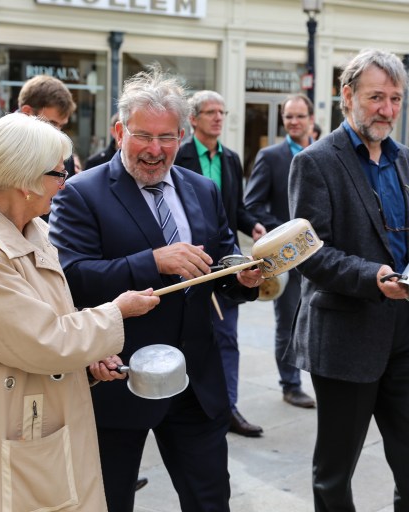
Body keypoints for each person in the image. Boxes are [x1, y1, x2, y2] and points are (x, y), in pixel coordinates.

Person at [48, 67, 263, 512]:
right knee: (109, 502)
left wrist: (243, 278)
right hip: (117, 378)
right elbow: (71, 275)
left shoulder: (203, 189)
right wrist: (152, 261)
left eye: (167, 138)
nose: (154, 149)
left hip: (195, 383)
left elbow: (223, 259)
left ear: (182, 136)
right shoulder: (80, 193)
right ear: (119, 131)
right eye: (143, 135)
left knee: (211, 501)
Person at [0, 112, 160, 511]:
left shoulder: (33, 230)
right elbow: (42, 340)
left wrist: (89, 357)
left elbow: (46, 319)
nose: (64, 183)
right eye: (58, 173)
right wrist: (116, 313)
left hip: (28, 418)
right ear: (26, 181)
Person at [286, 49, 409, 511]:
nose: (387, 109)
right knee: (335, 470)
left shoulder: (407, 158)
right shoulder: (314, 162)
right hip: (346, 335)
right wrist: (372, 277)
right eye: (376, 97)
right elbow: (310, 254)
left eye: (395, 99)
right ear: (347, 96)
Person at [174, 90, 267, 437]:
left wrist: (253, 225)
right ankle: (182, 405)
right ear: (193, 119)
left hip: (226, 263)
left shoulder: (230, 158)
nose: (217, 118)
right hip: (187, 262)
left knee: (227, 337)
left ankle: (229, 408)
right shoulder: (177, 155)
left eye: (221, 112)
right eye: (210, 112)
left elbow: (235, 208)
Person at [244, 93, 316, 409]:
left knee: (320, 322)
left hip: (322, 256)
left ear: (311, 119)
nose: (294, 122)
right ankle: (291, 385)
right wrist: (288, 231)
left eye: (300, 116)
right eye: (289, 116)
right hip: (287, 257)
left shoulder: (325, 153)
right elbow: (252, 204)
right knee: (288, 323)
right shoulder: (270, 156)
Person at [0, 74, 77, 217]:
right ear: (27, 111)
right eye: (52, 123)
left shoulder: (63, 156)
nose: (57, 132)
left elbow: (64, 213)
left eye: (61, 126)